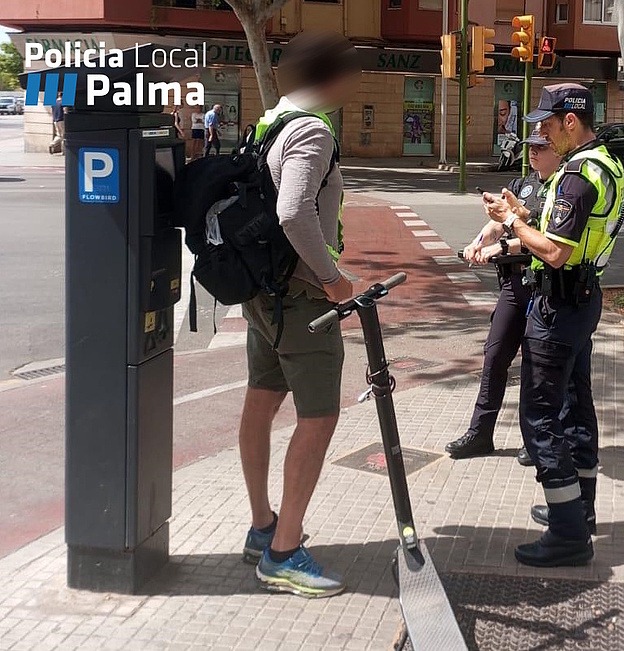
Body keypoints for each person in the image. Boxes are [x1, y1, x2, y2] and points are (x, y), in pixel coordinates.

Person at [484, 84, 624, 567]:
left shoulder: (577, 176)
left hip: (559, 306)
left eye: (545, 125)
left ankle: (567, 533)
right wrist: (527, 214)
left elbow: (554, 252)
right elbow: (572, 236)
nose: (538, 133)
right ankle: (579, 511)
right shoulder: (605, 163)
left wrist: (511, 221)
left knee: (540, 416)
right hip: (583, 301)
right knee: (575, 405)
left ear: (571, 122)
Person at [238, 31, 360, 597]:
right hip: (302, 298)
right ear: (330, 78)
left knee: (261, 400)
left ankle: (262, 527)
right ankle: (284, 552)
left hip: (262, 291)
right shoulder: (312, 130)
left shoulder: (272, 120)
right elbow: (294, 212)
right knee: (319, 416)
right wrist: (333, 279)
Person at [446, 126, 561, 464]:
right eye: (530, 147)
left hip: (543, 287)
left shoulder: (560, 189)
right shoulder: (522, 185)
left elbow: (538, 238)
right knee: (495, 357)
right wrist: (478, 242)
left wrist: (499, 246)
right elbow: (498, 222)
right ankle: (480, 433)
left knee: (535, 368)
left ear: (558, 150)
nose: (533, 152)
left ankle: (534, 439)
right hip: (514, 286)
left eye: (541, 146)